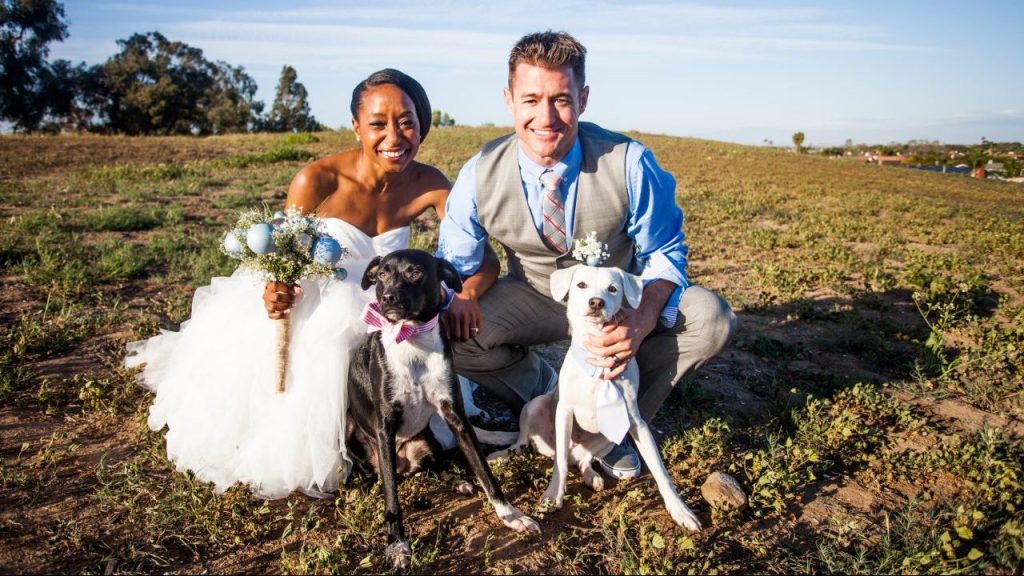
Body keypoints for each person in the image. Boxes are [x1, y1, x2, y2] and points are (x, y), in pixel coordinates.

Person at [126, 69, 495, 499]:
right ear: (356, 127)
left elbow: (483, 256)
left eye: (406, 122)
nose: (394, 136)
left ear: (422, 126)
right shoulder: (316, 179)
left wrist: (467, 294)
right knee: (323, 363)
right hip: (324, 304)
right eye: (378, 123)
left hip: (390, 306)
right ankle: (346, 445)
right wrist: (276, 288)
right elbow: (282, 260)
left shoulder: (430, 184)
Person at [438, 31, 736, 480]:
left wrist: (644, 316)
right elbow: (456, 265)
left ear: (584, 98)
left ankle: (614, 428)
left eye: (561, 99)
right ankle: (546, 392)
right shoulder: (478, 173)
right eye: (531, 100)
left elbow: (665, 252)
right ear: (509, 100)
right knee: (451, 332)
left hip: (616, 301)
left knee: (710, 318)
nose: (546, 117)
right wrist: (456, 296)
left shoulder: (629, 161)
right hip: (535, 295)